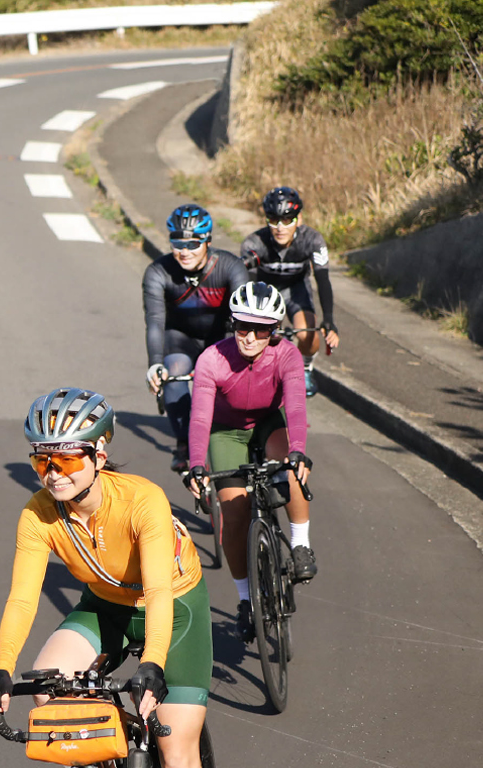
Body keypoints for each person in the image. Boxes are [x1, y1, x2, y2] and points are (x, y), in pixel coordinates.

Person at [0, 387, 218, 768]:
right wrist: (1, 671)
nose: (51, 472)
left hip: (174, 608)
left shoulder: (141, 500)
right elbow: (22, 600)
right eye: (41, 459)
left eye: (65, 458)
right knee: (49, 685)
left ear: (99, 456)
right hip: (106, 606)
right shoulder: (38, 515)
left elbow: (157, 591)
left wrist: (153, 665)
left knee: (176, 750)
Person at [184, 283, 316, 642]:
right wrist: (197, 464)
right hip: (226, 431)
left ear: (274, 331)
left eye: (262, 330)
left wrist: (298, 450)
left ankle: (300, 543)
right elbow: (199, 418)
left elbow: (296, 405)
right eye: (243, 326)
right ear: (232, 324)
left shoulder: (286, 355)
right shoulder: (212, 359)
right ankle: (245, 599)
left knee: (290, 471)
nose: (251, 337)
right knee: (235, 514)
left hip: (267, 424)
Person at [143, 204, 250, 472]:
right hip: (180, 338)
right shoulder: (158, 271)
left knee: (225, 383)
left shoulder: (229, 266)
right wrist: (155, 363)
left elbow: (245, 313)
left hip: (220, 337)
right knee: (173, 375)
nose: (184, 251)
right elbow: (155, 322)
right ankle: (183, 441)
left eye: (192, 244)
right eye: (177, 243)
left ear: (207, 240)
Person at [239, 186, 341, 397]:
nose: (280, 227)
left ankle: (305, 368)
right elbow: (247, 286)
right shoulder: (254, 242)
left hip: (296, 290)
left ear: (299, 218)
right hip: (265, 291)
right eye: (273, 220)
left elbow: (322, 279)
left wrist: (329, 319)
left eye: (287, 220)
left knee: (306, 333)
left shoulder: (312, 240)